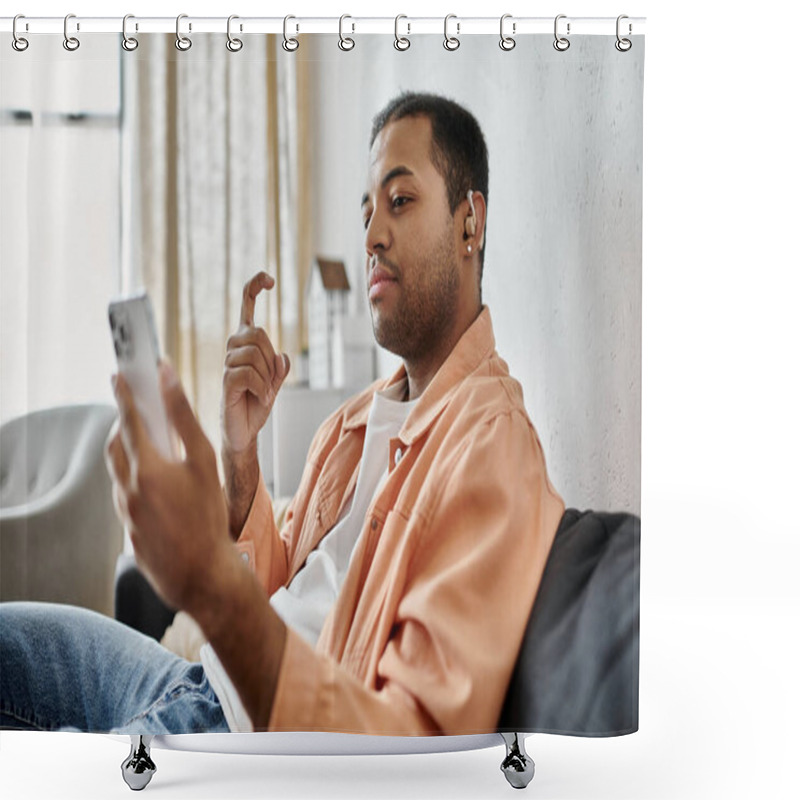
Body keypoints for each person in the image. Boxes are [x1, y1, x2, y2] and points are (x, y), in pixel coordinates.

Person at [0, 92, 564, 736]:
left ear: (471, 223)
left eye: (400, 200)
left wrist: (207, 584)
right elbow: (272, 590)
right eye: (367, 212)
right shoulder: (352, 425)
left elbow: (406, 753)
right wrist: (240, 456)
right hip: (201, 685)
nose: (373, 236)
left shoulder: (491, 449)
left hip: (251, 750)